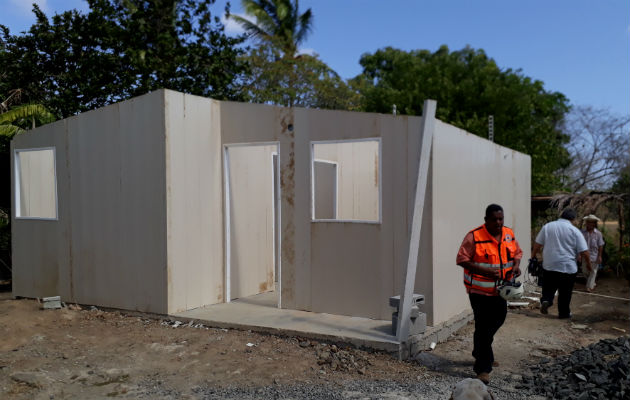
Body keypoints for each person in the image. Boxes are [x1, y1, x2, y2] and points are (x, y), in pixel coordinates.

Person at [456, 204, 522, 384]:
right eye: (494, 219)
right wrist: (483, 271)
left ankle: (480, 351)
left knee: (498, 320)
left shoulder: (508, 233)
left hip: (500, 291)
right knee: (483, 327)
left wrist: (516, 266)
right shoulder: (474, 237)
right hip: (479, 292)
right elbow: (461, 259)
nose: (498, 222)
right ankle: (483, 368)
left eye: (501, 219)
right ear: (486, 220)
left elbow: (516, 252)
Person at [532, 208, 591, 319]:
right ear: (573, 219)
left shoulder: (548, 226)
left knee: (548, 287)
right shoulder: (575, 231)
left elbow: (537, 243)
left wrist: (532, 256)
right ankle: (563, 314)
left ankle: (546, 300)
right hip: (567, 267)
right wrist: (588, 264)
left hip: (549, 264)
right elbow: (585, 251)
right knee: (565, 292)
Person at [581, 214, 605, 293]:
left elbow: (600, 245)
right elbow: (578, 244)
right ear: (586, 223)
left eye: (592, 223)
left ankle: (589, 287)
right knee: (585, 271)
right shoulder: (582, 232)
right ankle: (592, 282)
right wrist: (578, 254)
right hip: (584, 255)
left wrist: (600, 256)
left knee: (593, 271)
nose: (590, 224)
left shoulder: (598, 233)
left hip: (594, 255)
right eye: (589, 222)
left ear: (595, 224)